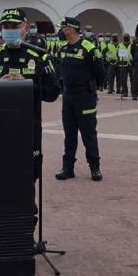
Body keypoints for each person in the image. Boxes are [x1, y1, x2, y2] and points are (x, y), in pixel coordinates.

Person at [0, 8, 60, 189]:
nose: (9, 30)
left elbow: (53, 93)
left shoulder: (40, 57)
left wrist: (28, 84)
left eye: (15, 26)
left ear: (25, 28)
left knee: (29, 174)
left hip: (27, 127)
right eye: (6, 26)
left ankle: (28, 214)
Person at [55, 16, 105, 181]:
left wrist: (91, 89)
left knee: (88, 133)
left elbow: (100, 72)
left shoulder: (88, 47)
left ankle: (95, 168)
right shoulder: (63, 48)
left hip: (85, 96)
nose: (61, 31)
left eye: (64, 28)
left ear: (70, 29)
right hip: (68, 97)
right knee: (69, 134)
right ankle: (67, 168)